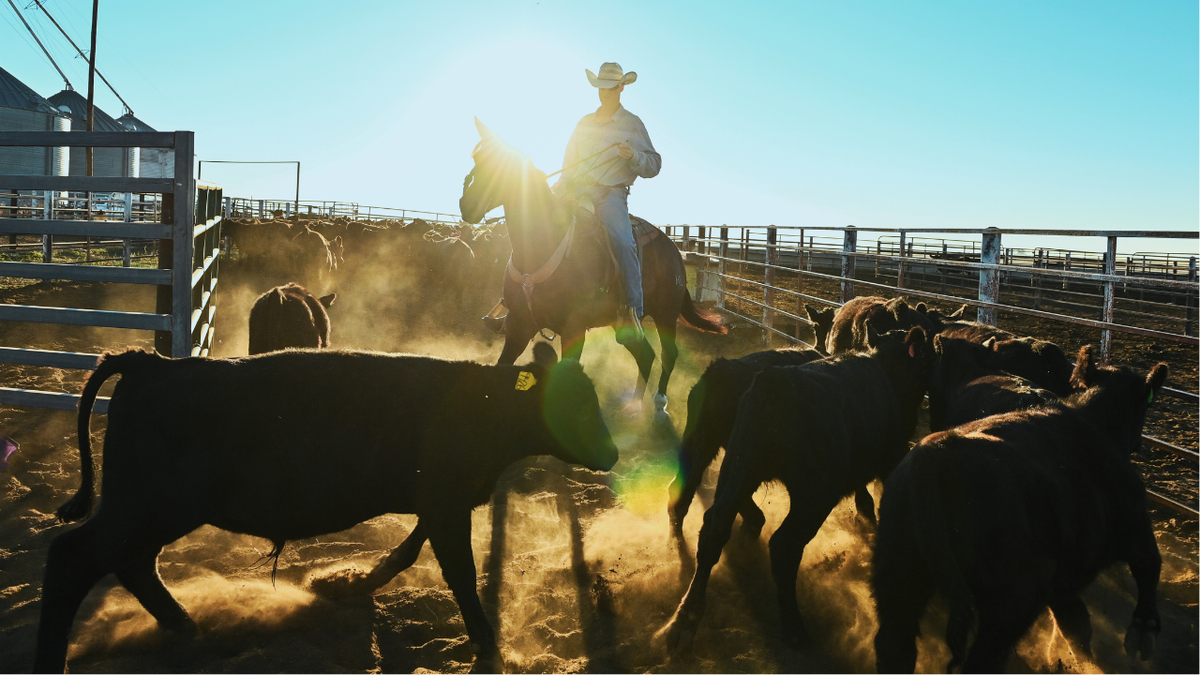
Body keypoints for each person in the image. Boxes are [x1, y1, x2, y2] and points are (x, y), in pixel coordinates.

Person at [554, 62, 662, 344]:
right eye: (600, 87)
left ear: (621, 87)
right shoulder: (584, 123)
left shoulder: (632, 124)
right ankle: (521, 300)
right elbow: (568, 164)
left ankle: (633, 312)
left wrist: (632, 157)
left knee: (623, 242)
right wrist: (560, 188)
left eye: (610, 88)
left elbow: (654, 164)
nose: (604, 93)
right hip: (576, 192)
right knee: (541, 224)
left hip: (610, 196)